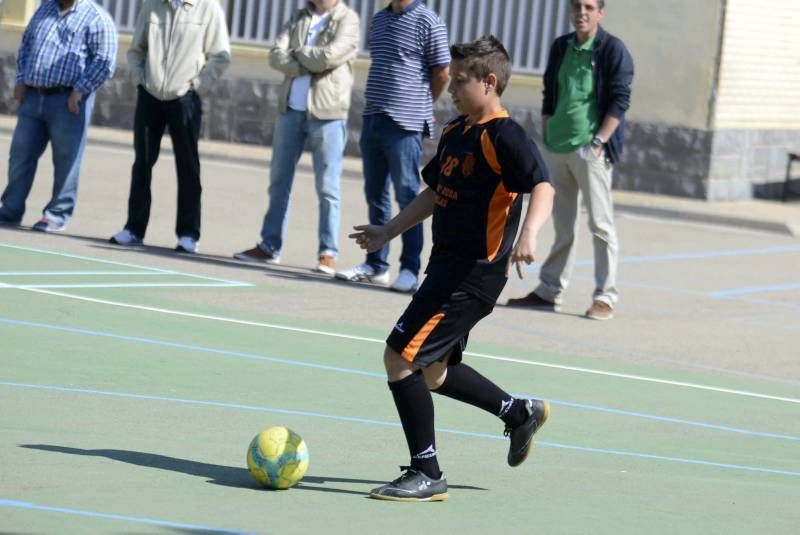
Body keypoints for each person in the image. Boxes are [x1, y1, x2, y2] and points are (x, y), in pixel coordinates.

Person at [349, 36, 555, 501]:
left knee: (399, 359)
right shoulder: (456, 131)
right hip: (445, 266)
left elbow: (543, 186)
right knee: (434, 371)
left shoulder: (505, 135)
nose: (451, 89)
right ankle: (518, 413)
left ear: (489, 81)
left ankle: (427, 473)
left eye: (460, 81)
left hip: (473, 274)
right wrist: (388, 230)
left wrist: (529, 235)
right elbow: (433, 192)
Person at [507, 0, 633, 321]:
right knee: (563, 226)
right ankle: (549, 290)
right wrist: (548, 132)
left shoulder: (612, 49)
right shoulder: (561, 46)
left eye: (589, 7)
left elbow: (620, 100)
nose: (582, 12)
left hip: (591, 150)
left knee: (600, 225)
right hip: (557, 147)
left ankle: (605, 296)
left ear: (600, 13)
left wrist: (599, 141)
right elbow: (550, 91)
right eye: (577, 6)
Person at [233, 0, 359, 275]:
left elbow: (330, 57)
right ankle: (269, 245)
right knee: (279, 181)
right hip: (290, 110)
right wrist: (307, 60)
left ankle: (328, 252)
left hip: (327, 113)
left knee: (328, 187)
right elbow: (275, 55)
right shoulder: (299, 17)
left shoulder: (348, 19)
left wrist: (297, 53)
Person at [335, 0, 450, 292]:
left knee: (408, 196)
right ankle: (376, 264)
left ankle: (410, 268)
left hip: (405, 123)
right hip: (373, 116)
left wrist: (420, 103)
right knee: (375, 194)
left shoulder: (429, 21)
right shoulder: (380, 20)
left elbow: (442, 73)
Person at [109, 0, 231, 253]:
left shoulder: (208, 8)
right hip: (150, 94)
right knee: (142, 163)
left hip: (185, 97)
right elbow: (136, 50)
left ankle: (188, 233)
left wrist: (197, 86)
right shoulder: (152, 5)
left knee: (188, 166)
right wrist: (141, 78)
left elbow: (221, 56)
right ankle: (133, 228)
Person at [0, 0, 117, 232]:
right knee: (20, 156)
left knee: (66, 159)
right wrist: (21, 78)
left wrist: (80, 90)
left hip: (68, 101)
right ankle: (10, 209)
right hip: (33, 97)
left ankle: (56, 214)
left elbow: (105, 60)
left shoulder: (96, 17)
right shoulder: (44, 9)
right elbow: (26, 45)